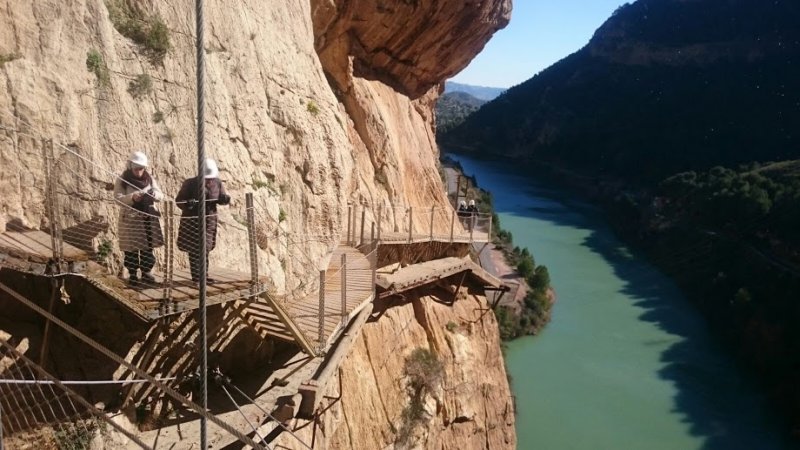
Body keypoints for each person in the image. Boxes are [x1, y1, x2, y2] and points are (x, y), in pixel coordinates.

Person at [175, 158, 231, 284]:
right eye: (207, 178)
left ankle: (204, 276)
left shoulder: (217, 183)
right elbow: (179, 200)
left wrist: (224, 199)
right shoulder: (189, 183)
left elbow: (220, 198)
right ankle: (197, 277)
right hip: (192, 221)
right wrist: (188, 204)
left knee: (205, 249)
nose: (209, 180)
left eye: (211, 178)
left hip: (209, 221)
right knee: (194, 249)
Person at [114, 151, 164, 286]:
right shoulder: (122, 179)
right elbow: (117, 199)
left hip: (148, 217)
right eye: (136, 168)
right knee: (132, 249)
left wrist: (154, 194)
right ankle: (132, 275)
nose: (139, 172)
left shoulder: (149, 178)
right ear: (130, 166)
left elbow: (160, 194)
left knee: (148, 247)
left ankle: (147, 273)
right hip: (131, 220)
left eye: (141, 168)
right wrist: (132, 197)